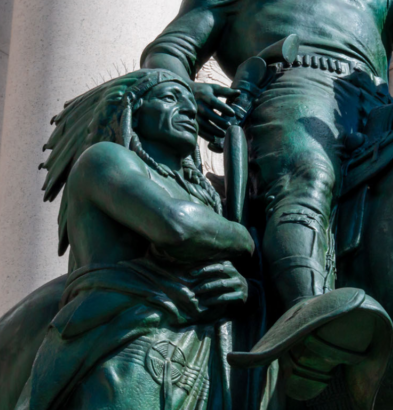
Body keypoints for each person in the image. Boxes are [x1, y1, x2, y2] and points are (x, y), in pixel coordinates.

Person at [140, 0, 393, 398]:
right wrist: (185, 93)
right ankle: (310, 324)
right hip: (290, 93)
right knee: (305, 171)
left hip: (377, 102)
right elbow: (169, 51)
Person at [28, 69, 257, 410]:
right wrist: (244, 237)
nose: (190, 110)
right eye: (169, 97)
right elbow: (176, 226)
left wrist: (236, 284)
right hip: (120, 339)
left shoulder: (205, 196)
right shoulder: (104, 160)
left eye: (190, 102)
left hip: (199, 344)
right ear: (133, 110)